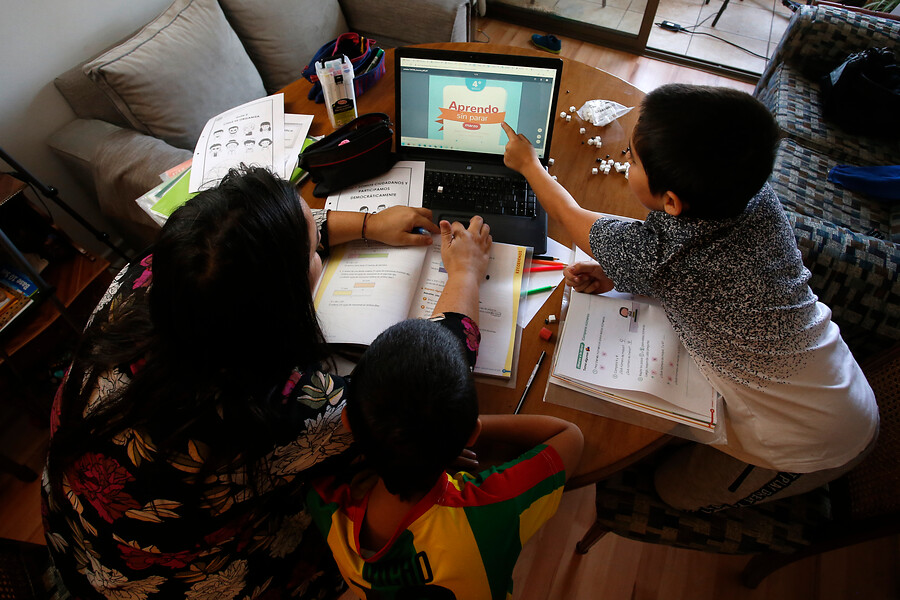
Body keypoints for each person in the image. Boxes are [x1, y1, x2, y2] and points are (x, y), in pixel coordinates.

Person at [41, 166, 491, 599]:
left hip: (77, 539)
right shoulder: (287, 409)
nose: (318, 249)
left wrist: (367, 223)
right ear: (280, 309)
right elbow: (430, 377)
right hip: (175, 584)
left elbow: (250, 241)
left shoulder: (158, 272)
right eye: (312, 252)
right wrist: (466, 272)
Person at [501, 84, 879, 512]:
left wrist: (529, 165)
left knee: (672, 491)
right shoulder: (751, 194)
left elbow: (571, 216)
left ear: (671, 201)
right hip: (827, 370)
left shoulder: (659, 255)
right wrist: (621, 269)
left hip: (812, 437)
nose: (627, 163)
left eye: (632, 160)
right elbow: (693, 264)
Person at [306, 318, 583, 598]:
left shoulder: (324, 501)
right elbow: (570, 435)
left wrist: (448, 434)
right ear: (472, 434)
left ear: (349, 422)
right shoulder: (487, 516)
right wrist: (453, 431)